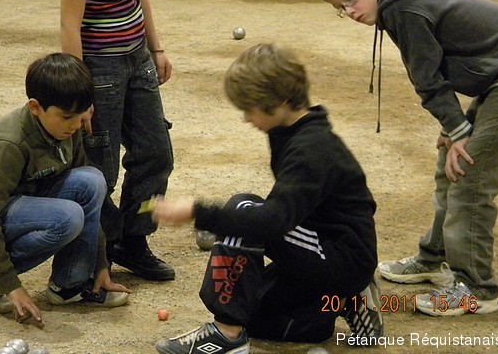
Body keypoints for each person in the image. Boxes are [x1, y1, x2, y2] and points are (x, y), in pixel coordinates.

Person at [318, 0, 498, 316]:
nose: (350, 12)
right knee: (449, 165)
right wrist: (453, 127)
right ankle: (433, 257)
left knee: (470, 177)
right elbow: (439, 68)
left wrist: (459, 131)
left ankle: (477, 288)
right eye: (341, 8)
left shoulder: (403, 6)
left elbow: (427, 79)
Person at [152, 43, 383, 353]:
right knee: (254, 314)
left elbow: (271, 222)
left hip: (341, 255)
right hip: (317, 250)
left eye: (251, 108)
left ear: (281, 102)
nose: (247, 118)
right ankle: (346, 300)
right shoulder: (287, 130)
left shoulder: (312, 149)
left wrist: (197, 211)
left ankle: (226, 334)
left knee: (244, 208)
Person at [0, 53, 131, 327]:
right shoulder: (7, 144)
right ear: (35, 107)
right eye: (66, 117)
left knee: (92, 180)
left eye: (81, 115)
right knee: (67, 217)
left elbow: (90, 202)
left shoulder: (67, 129)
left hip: (22, 199)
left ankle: (69, 285)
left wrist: (99, 265)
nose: (75, 125)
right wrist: (9, 284)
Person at [57, 0, 175, 282]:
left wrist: (156, 48)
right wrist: (79, 93)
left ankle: (134, 240)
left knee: (156, 154)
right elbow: (70, 25)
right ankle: (99, 251)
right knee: (100, 169)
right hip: (99, 66)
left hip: (136, 55)